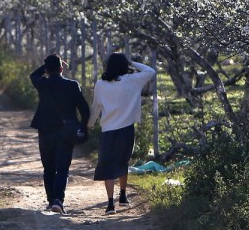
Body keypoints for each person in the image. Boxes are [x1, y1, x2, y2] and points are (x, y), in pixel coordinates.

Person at [88, 51, 156, 213]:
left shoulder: (101, 84)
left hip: (108, 131)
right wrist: (131, 62)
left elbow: (96, 107)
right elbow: (151, 71)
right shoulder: (133, 80)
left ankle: (110, 204)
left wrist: (89, 124)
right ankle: (123, 195)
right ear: (124, 66)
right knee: (122, 162)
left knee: (107, 166)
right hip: (127, 130)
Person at [30, 53, 90, 214]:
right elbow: (84, 109)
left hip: (45, 132)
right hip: (66, 132)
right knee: (63, 168)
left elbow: (33, 75)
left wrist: (47, 67)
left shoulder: (42, 83)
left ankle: (51, 201)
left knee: (48, 168)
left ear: (47, 70)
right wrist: (84, 126)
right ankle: (58, 200)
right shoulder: (72, 85)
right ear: (62, 68)